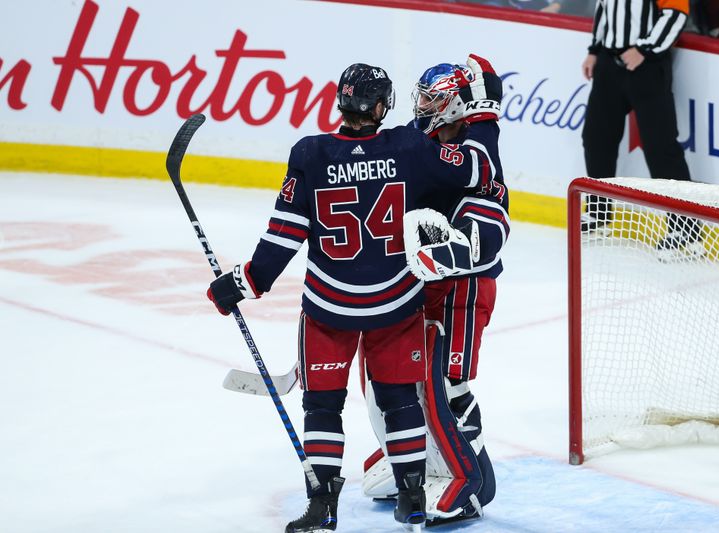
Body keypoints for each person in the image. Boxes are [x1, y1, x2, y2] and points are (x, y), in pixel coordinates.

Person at [206, 58, 502, 532]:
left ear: (340, 100)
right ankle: (411, 494)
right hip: (394, 302)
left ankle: (324, 505)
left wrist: (244, 283)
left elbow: (284, 233)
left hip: (328, 306)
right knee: (399, 397)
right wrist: (486, 116)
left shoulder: (309, 152)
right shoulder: (407, 147)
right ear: (384, 106)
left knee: (325, 405)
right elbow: (478, 168)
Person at [360, 60, 508, 527]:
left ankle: (473, 481)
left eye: (434, 99)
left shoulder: (477, 154)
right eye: (422, 96)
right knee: (384, 377)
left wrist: (447, 253)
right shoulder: (421, 139)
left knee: (444, 382)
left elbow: (492, 228)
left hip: (461, 287)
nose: (423, 106)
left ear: (459, 105)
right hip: (417, 286)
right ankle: (420, 462)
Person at [581, 0, 704, 260]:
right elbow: (604, 9)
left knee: (661, 149)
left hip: (647, 67)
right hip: (609, 64)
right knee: (596, 138)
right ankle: (598, 214)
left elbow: (676, 14)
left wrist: (645, 49)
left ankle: (686, 231)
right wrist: (594, 49)